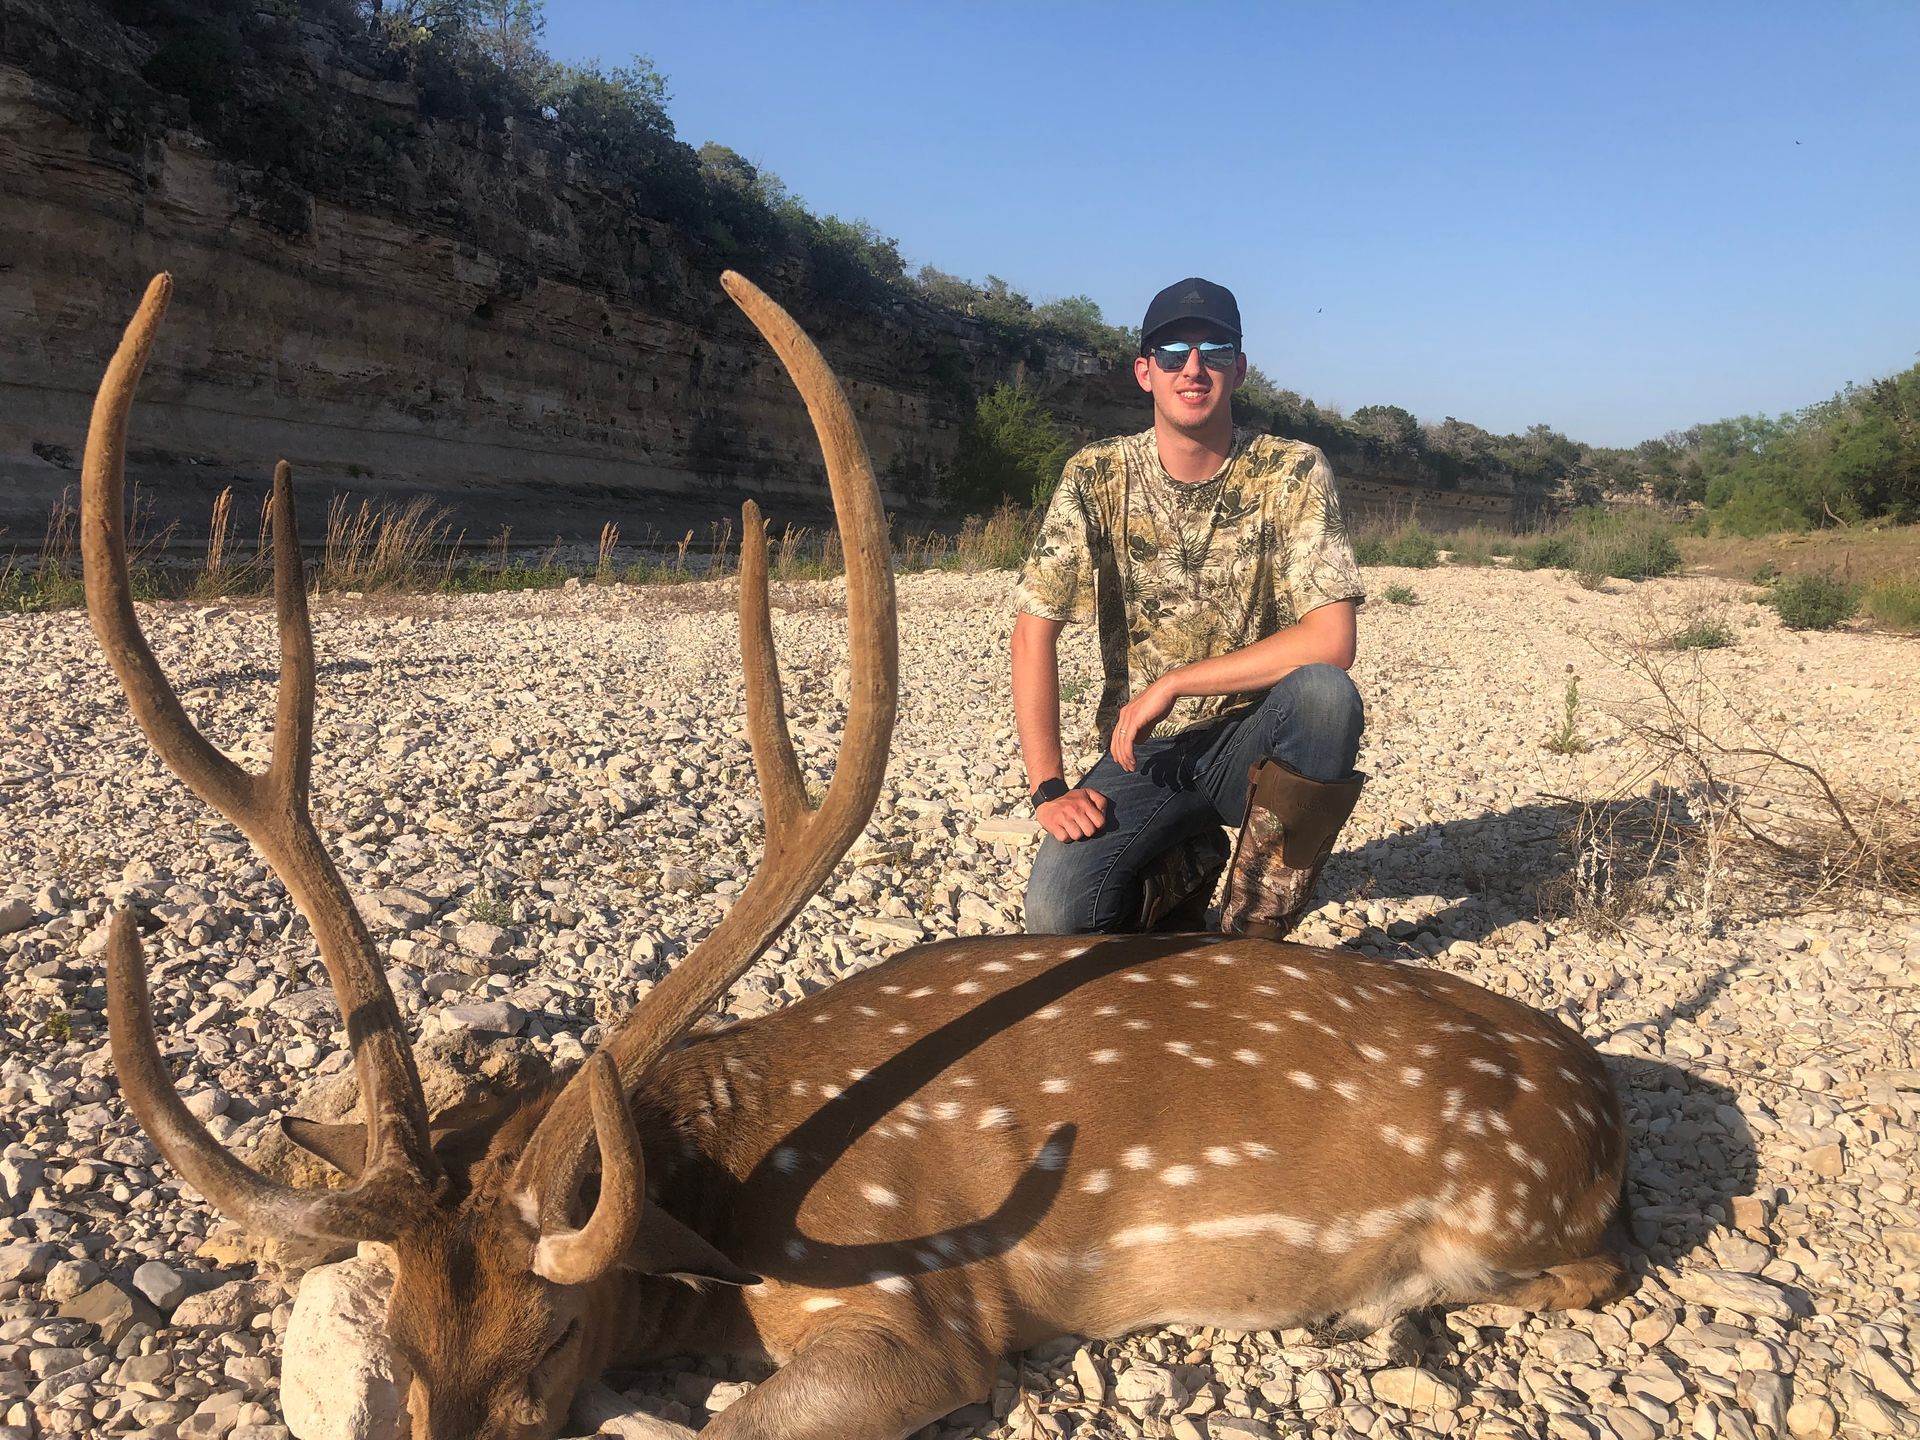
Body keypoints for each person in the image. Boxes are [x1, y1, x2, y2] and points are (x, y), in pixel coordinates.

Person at [1011, 277, 1367, 937]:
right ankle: (1185, 860)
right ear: (1145, 372)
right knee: (1058, 918)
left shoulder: (1294, 471)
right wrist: (1049, 788)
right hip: (1146, 754)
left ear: (1239, 368)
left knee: (1326, 695)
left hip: (1260, 737)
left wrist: (1176, 681)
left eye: (1214, 349)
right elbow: (1034, 633)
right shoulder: (1095, 476)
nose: (1193, 367)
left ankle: (1251, 931)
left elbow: (1331, 640)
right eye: (1173, 352)